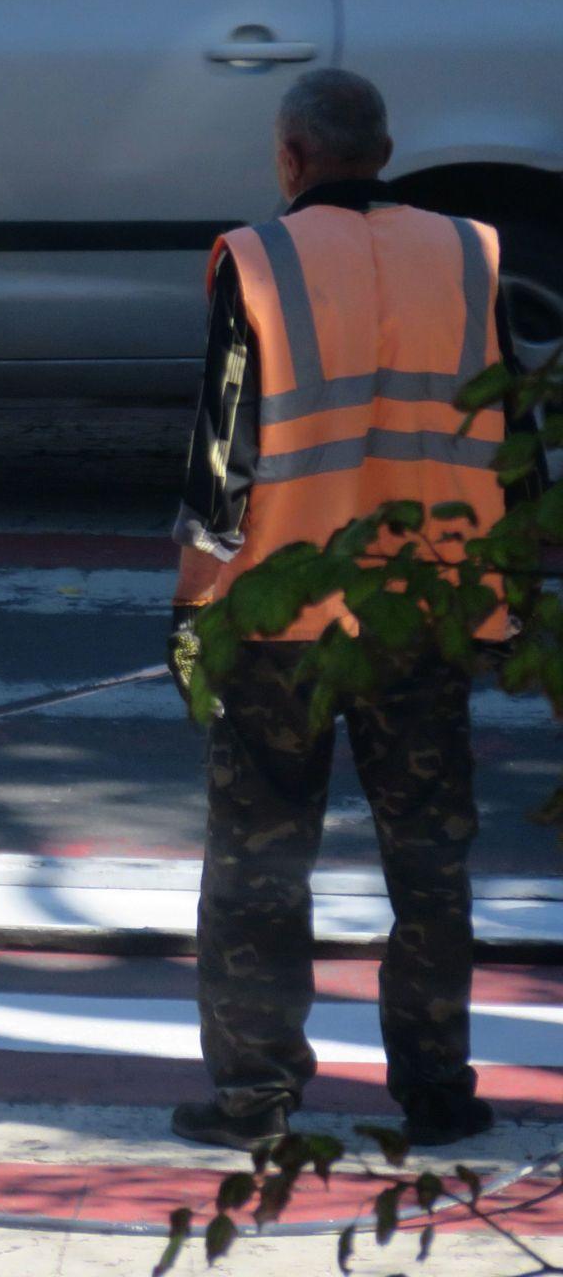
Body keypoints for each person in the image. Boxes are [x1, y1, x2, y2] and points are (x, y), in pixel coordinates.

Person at [169, 69, 514, 1152]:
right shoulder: (470, 254)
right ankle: (438, 1092)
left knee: (258, 866)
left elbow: (221, 464)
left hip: (280, 624)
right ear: (386, 151)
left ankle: (255, 1099)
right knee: (429, 860)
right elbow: (516, 441)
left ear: (289, 158)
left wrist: (190, 614)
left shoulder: (261, 260)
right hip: (426, 611)